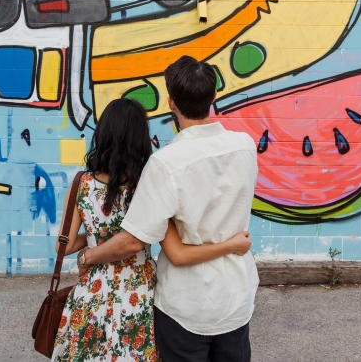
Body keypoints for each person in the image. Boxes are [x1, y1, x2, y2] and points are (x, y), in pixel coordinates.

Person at [80, 56, 260, 362]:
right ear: (213, 96)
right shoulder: (245, 145)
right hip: (235, 296)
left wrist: (88, 256)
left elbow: (135, 239)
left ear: (171, 102)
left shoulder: (166, 163)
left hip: (187, 304)